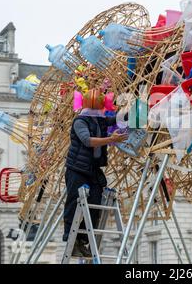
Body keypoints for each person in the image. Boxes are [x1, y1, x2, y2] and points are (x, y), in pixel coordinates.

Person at [63, 88, 128, 257]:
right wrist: (111, 139)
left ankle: (84, 239)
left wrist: (132, 110)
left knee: (95, 201)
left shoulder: (99, 120)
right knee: (74, 202)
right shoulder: (80, 121)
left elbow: (117, 119)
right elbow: (87, 140)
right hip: (77, 168)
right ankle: (72, 238)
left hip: (92, 169)